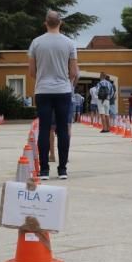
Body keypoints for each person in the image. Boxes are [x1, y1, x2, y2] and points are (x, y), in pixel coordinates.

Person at [28, 10, 78, 179]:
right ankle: (62, 169)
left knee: (44, 128)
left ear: (45, 23)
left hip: (42, 90)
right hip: (63, 90)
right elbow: (74, 71)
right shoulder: (69, 43)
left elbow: (31, 72)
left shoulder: (36, 43)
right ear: (60, 23)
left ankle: (44, 170)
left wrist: (44, 78)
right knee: (63, 129)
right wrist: (64, 80)